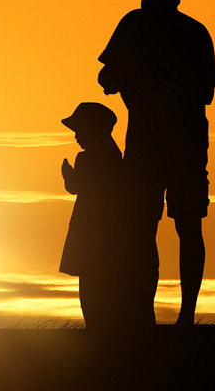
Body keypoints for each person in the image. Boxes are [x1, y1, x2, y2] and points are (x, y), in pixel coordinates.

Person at [97, 0, 215, 325]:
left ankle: (174, 315)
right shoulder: (161, 29)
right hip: (167, 146)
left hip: (168, 146)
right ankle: (158, 314)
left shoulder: (144, 27)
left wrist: (142, 85)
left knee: (165, 227)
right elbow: (107, 78)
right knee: (155, 228)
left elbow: (107, 79)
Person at [59, 102, 156, 330]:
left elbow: (76, 186)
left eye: (79, 130)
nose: (76, 136)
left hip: (91, 235)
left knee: (92, 295)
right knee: (102, 293)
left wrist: (67, 175)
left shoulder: (87, 158)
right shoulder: (115, 158)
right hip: (109, 239)